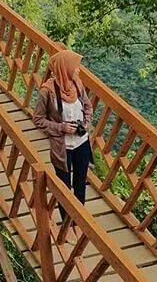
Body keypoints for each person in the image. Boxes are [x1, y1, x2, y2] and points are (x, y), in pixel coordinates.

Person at [33, 49, 93, 235]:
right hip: (62, 147)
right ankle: (67, 227)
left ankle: (80, 222)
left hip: (81, 143)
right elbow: (38, 119)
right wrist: (61, 128)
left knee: (81, 182)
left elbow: (88, 107)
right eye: (75, 67)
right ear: (64, 68)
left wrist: (86, 124)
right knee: (64, 188)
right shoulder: (47, 92)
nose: (78, 71)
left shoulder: (77, 84)